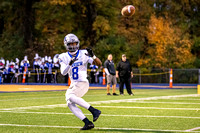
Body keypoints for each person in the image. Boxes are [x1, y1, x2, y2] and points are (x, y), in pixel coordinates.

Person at [59, 33, 102, 130]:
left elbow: (99, 64)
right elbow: (63, 72)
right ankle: (87, 123)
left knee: (69, 96)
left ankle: (94, 110)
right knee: (69, 102)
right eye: (71, 44)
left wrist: (93, 56)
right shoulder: (63, 56)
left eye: (75, 43)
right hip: (74, 84)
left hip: (82, 82)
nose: (73, 46)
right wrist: (70, 64)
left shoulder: (84, 53)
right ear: (67, 45)